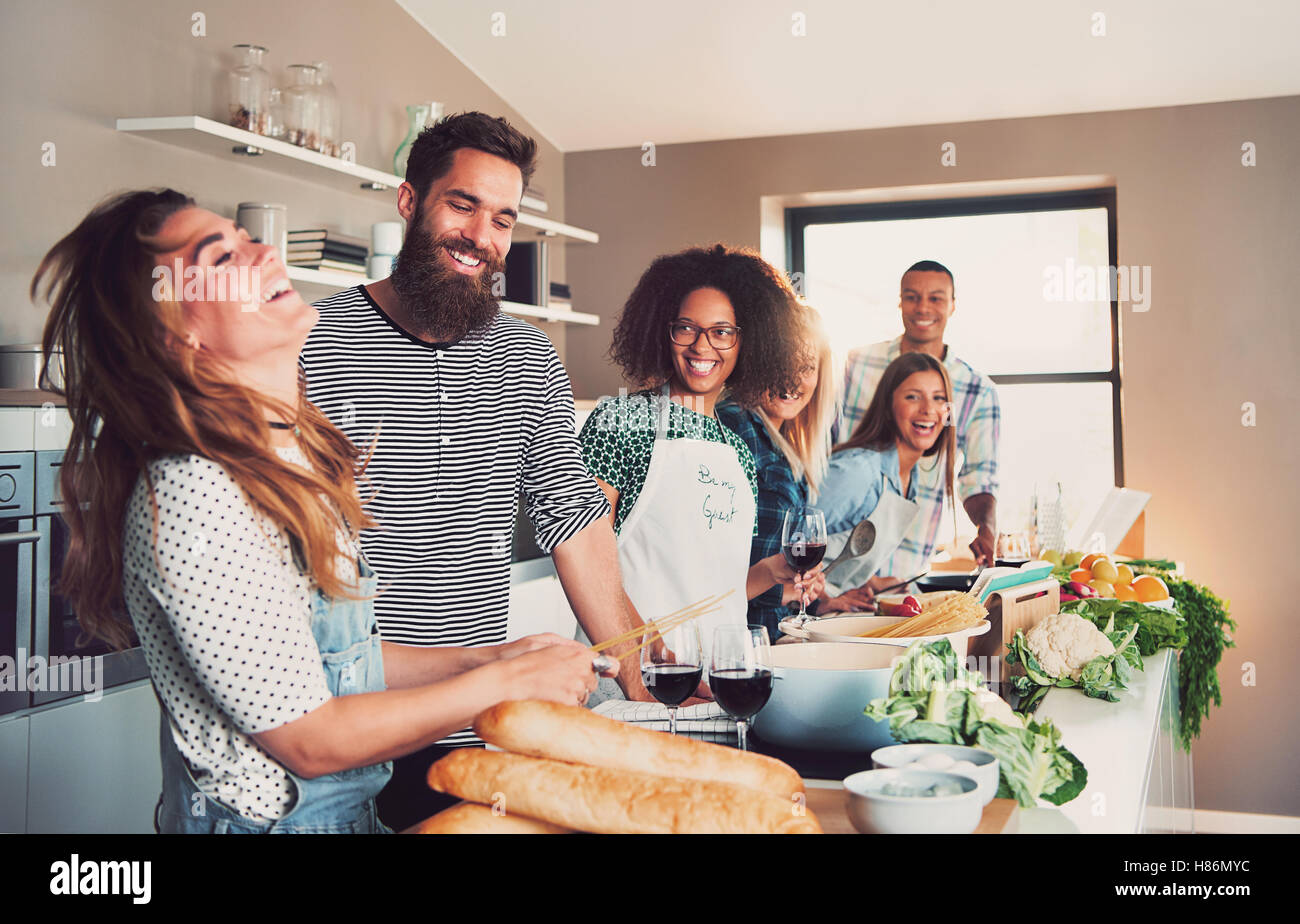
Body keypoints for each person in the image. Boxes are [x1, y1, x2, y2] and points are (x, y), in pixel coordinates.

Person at [32, 189, 610, 834]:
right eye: (223, 260)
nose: (264, 253)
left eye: (245, 238)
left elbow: (333, 665)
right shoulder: (193, 493)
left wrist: (492, 659)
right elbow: (310, 738)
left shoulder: (288, 456)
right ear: (177, 337)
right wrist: (502, 686)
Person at [298, 112, 643, 830]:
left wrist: (646, 696)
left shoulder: (527, 358)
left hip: (476, 724)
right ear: (408, 202)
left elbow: (574, 517)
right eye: (463, 205)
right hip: (336, 720)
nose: (482, 237)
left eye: (503, 219)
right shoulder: (309, 343)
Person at [579, 245, 822, 672]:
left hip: (720, 678)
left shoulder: (738, 451)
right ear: (661, 330)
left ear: (748, 340)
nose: (702, 346)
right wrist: (646, 654)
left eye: (722, 331)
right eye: (686, 328)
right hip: (632, 678)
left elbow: (711, 593)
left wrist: (768, 572)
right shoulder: (621, 420)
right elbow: (586, 562)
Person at [715, 307, 877, 638]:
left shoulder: (786, 443)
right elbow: (707, 571)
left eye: (806, 366)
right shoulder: (735, 426)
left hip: (773, 636)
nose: (791, 379)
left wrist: (817, 600)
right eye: (780, 363)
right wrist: (780, 589)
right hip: (736, 643)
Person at [838, 260, 999, 576]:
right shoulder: (858, 364)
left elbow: (978, 475)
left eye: (936, 298)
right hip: (839, 557)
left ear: (953, 306)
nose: (923, 307)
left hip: (906, 565)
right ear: (899, 302)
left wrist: (986, 527)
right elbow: (828, 443)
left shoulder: (977, 390)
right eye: (912, 297)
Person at [818, 351, 957, 592]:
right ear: (889, 407)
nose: (928, 409)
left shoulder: (908, 479)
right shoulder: (857, 471)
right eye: (913, 397)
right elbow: (788, 547)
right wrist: (824, 599)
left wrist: (869, 582)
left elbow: (842, 555)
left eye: (938, 398)